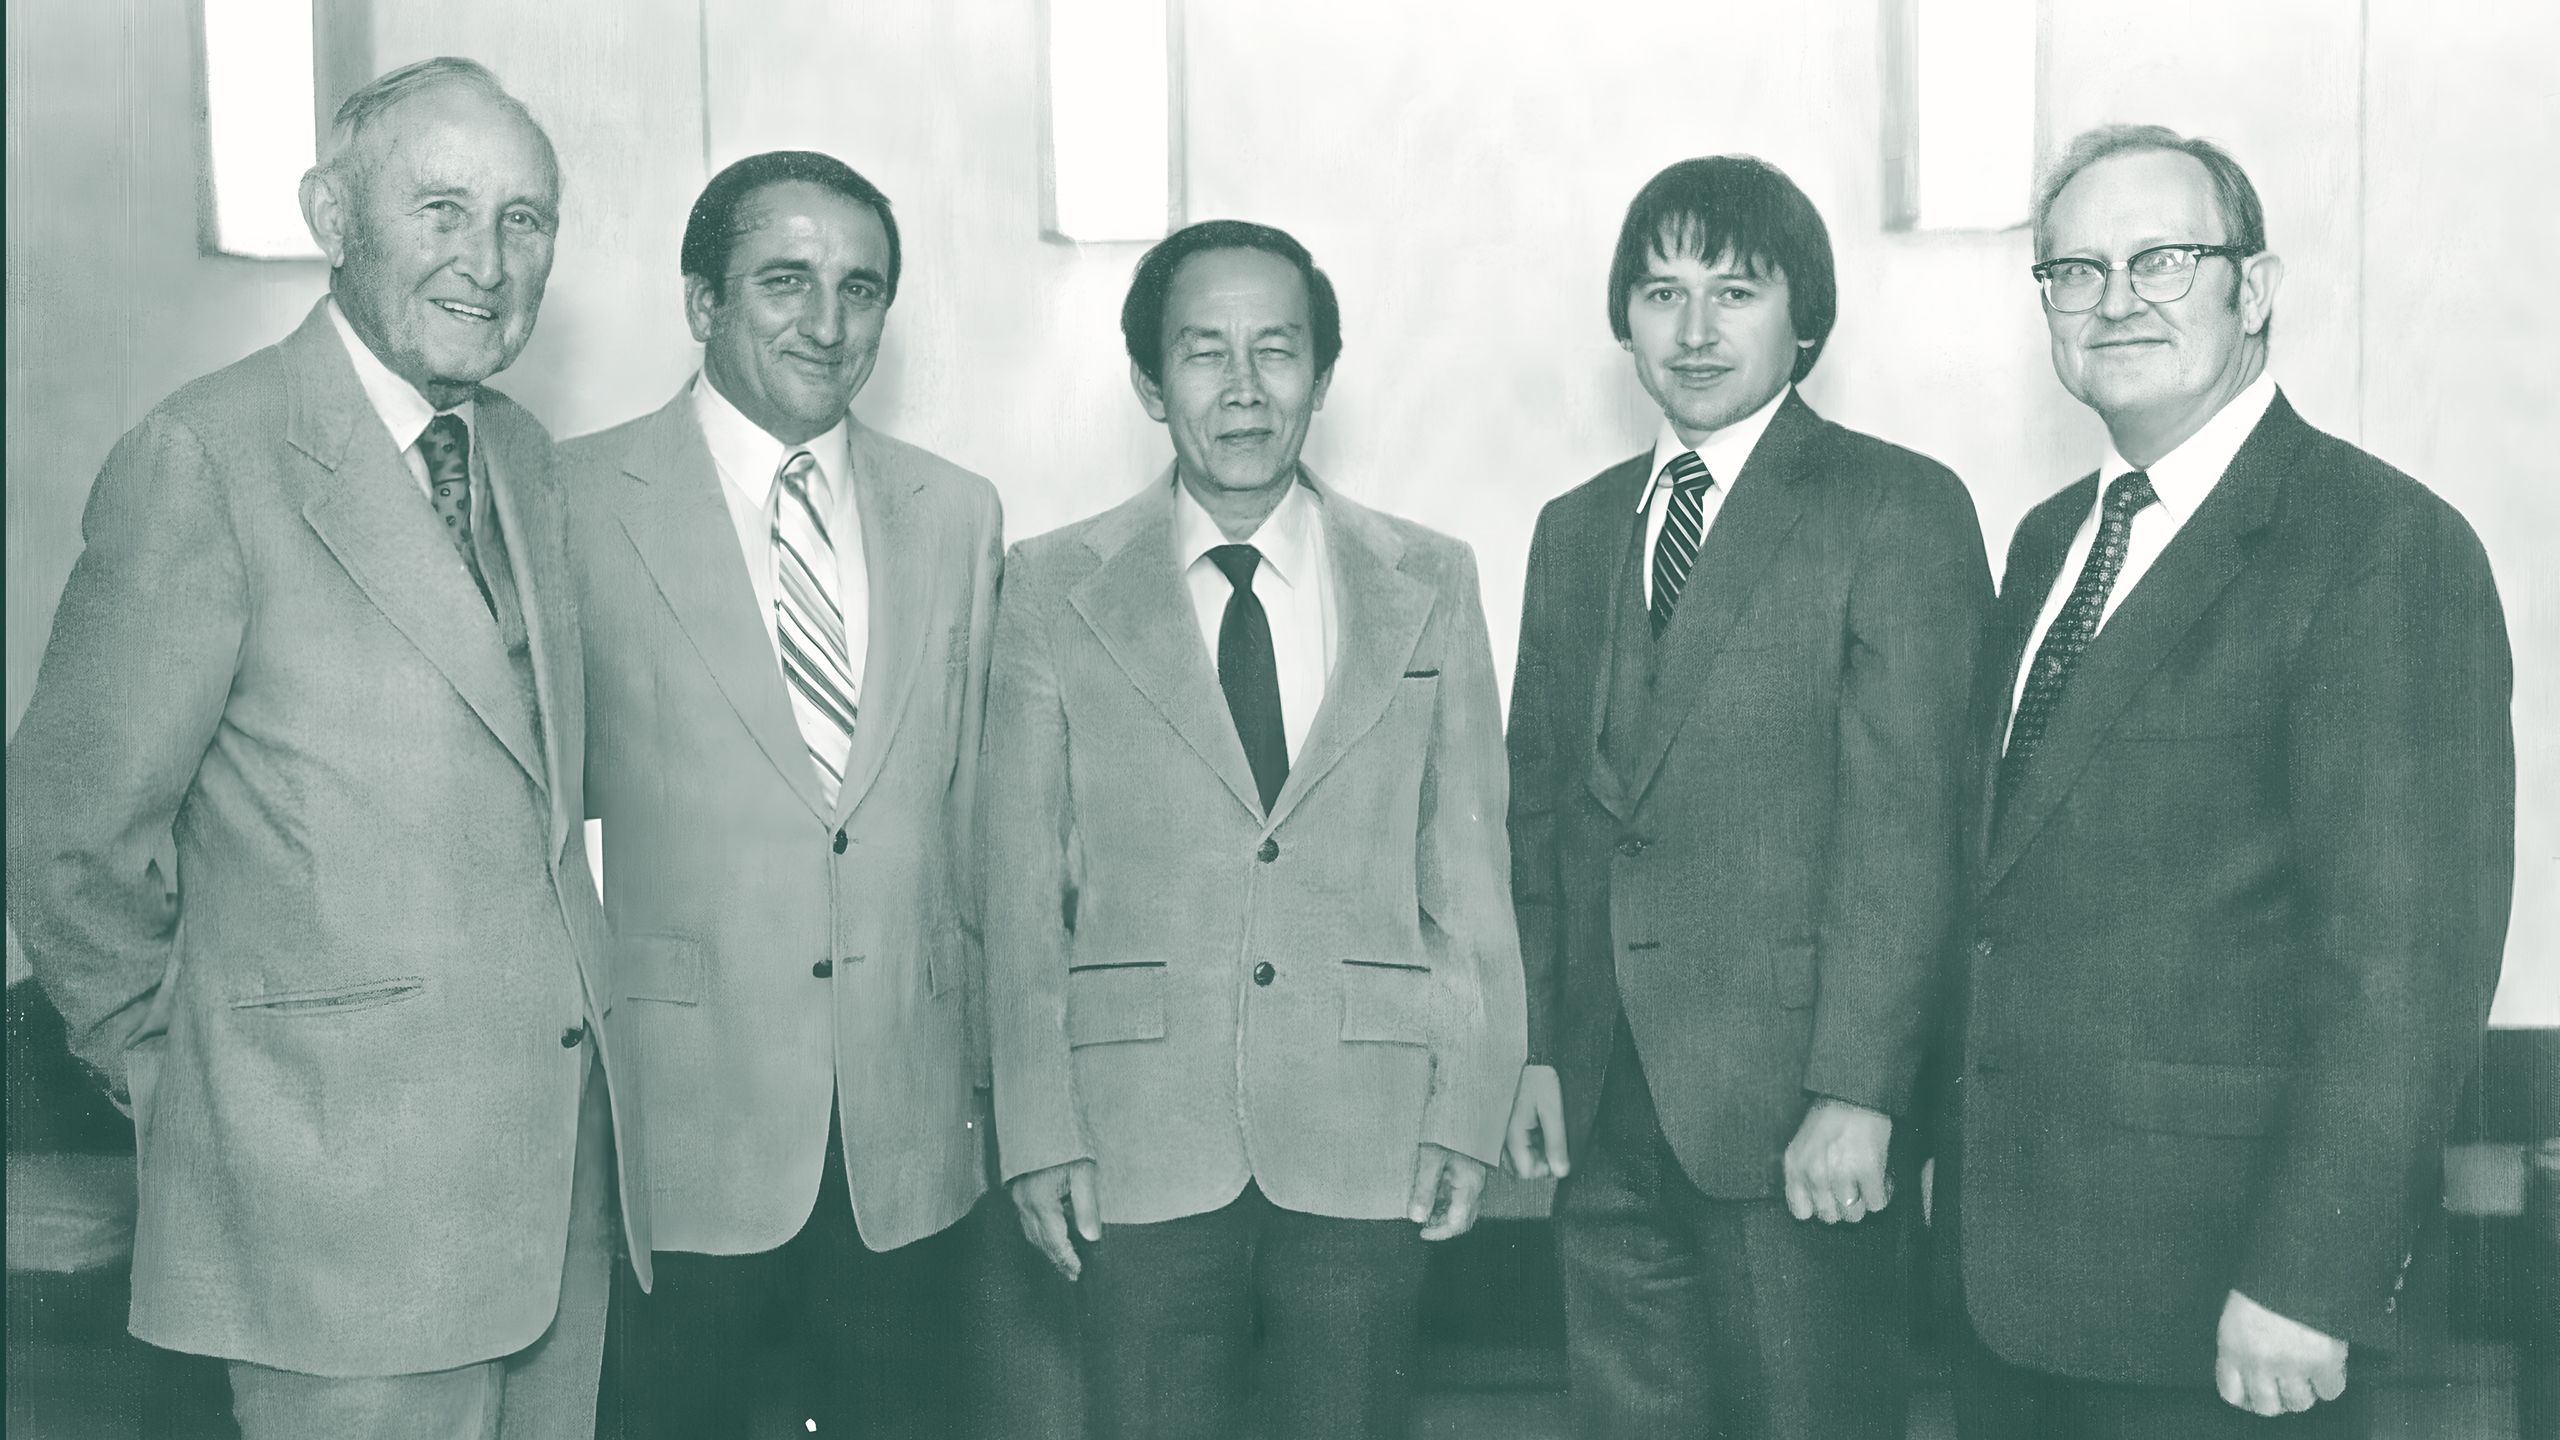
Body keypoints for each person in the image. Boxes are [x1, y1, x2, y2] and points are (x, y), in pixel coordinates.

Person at [5, 57, 646, 1438]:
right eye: (442, 209)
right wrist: (180, 1076)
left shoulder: (525, 459)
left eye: (525, 220)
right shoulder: (206, 458)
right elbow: (66, 834)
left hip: (553, 1199)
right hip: (328, 1212)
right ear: (330, 213)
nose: (488, 261)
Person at [1940, 124, 2514, 1438]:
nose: (2116, 299)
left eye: (2162, 259)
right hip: (2016, 1288)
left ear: (2253, 290)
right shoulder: (2051, 543)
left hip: (2236, 1308)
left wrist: (2310, 1276)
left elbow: (2406, 962)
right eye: (2074, 272)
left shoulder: (2380, 547)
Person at [981, 219, 1526, 1439]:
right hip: (1133, 1137)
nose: (1241, 388)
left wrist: (1465, 1106)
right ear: (1147, 382)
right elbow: (1016, 893)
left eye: (1275, 351)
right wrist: (1036, 1128)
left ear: (1321, 378)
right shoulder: (1051, 585)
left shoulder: (1429, 579)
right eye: (1203, 353)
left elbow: (1468, 874)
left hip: (1367, 1129)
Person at [1502, 155, 1992, 1439]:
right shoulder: (1574, 526)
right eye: (1661, 292)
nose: (1696, 328)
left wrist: (1860, 1092)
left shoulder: (1895, 504)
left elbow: (1912, 830)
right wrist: (1542, 1047)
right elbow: (1545, 816)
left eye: (1736, 290)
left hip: (1798, 1116)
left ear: (1805, 319)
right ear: (1625, 322)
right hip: (1607, 1107)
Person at [558, 150, 1001, 1438]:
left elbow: (973, 822)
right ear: (702, 301)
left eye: (860, 289)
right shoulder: (573, 501)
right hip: (673, 1122)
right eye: (785, 281)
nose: (827, 322)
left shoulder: (957, 512)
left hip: (906, 1134)